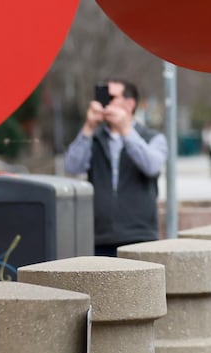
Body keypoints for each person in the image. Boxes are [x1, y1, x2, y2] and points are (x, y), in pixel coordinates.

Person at [63, 79, 168, 256]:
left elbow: (152, 166)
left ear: (129, 103)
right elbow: (72, 167)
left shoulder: (152, 137)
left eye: (111, 97)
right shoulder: (94, 138)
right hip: (99, 238)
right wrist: (88, 127)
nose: (105, 102)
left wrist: (126, 129)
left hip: (140, 236)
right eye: (102, 95)